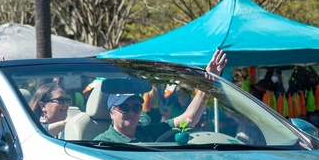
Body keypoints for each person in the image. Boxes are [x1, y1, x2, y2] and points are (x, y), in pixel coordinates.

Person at [92, 49, 227, 143]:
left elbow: (189, 119)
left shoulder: (149, 132)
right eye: (124, 108)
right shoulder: (102, 142)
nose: (131, 112)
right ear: (111, 112)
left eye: (136, 108)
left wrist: (207, 83)